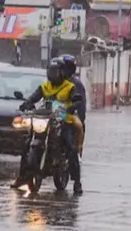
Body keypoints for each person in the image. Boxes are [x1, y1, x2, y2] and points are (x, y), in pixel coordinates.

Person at [10, 57, 84, 194]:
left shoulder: (69, 87)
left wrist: (71, 107)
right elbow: (34, 97)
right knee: (26, 145)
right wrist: (26, 103)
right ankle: (21, 177)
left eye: (55, 72)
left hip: (63, 120)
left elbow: (77, 100)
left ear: (62, 73)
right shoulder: (45, 87)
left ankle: (77, 182)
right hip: (45, 119)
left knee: (71, 146)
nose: (52, 75)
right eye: (50, 72)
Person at [59, 54, 87, 156]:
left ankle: (75, 157)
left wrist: (78, 118)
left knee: (72, 147)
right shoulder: (54, 82)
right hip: (54, 117)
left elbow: (81, 106)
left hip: (69, 118)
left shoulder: (76, 84)